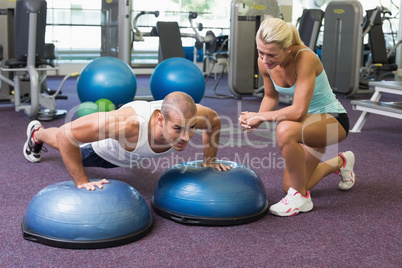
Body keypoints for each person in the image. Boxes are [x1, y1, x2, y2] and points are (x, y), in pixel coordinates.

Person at [239, 18, 356, 217]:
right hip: (305, 125)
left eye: (271, 54)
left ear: (288, 48)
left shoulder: (305, 58)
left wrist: (261, 117)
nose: (265, 59)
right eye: (260, 52)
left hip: (331, 120)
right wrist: (255, 119)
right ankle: (340, 162)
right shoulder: (264, 63)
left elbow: (298, 112)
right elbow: (270, 96)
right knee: (292, 184)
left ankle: (301, 198)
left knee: (284, 129)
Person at [24, 91, 231, 190]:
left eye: (191, 128)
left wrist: (209, 160)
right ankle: (37, 133)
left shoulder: (199, 114)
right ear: (160, 119)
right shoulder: (129, 125)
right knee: (60, 140)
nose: (186, 138)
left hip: (132, 154)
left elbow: (214, 123)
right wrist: (82, 182)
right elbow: (65, 135)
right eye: (178, 129)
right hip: (98, 152)